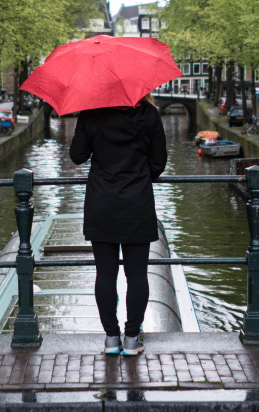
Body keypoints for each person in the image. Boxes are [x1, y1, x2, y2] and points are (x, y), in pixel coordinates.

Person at [69, 92, 167, 356]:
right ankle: (132, 339)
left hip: (102, 203)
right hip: (137, 203)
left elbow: (77, 156)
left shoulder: (92, 113)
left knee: (105, 274)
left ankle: (111, 338)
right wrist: (138, 175)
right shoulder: (149, 115)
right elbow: (159, 163)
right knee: (137, 276)